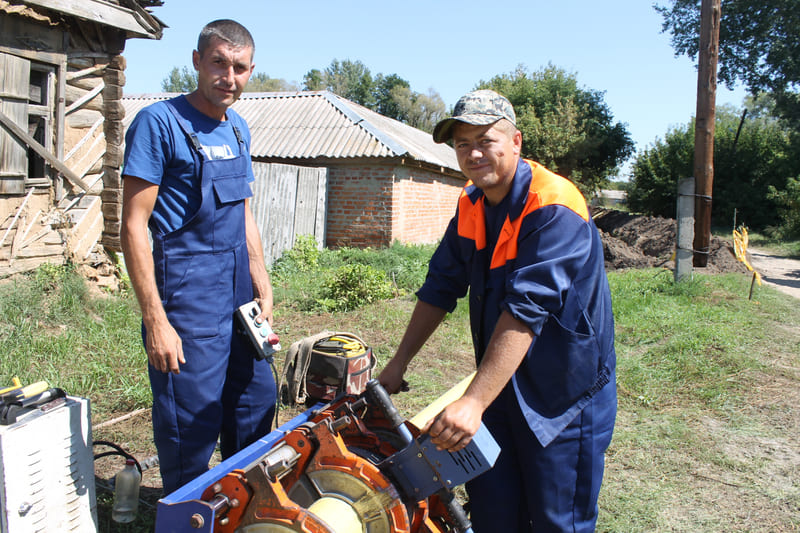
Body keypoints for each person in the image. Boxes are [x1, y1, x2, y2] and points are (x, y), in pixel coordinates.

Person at [378, 90, 617, 532]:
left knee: (556, 520)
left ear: (516, 142)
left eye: (485, 140)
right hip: (499, 385)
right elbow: (440, 287)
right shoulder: (471, 203)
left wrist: (472, 402)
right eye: (462, 144)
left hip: (562, 396)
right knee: (493, 513)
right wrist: (399, 363)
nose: (473, 153)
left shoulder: (554, 205)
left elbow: (528, 308)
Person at [120, 19, 276, 494]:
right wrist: (156, 321)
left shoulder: (239, 128)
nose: (229, 77)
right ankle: (186, 516)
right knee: (191, 421)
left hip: (237, 294)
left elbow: (243, 210)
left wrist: (260, 276)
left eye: (240, 68)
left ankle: (242, 507)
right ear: (196, 61)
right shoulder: (159, 123)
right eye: (219, 64)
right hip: (187, 298)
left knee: (256, 400)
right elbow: (133, 225)